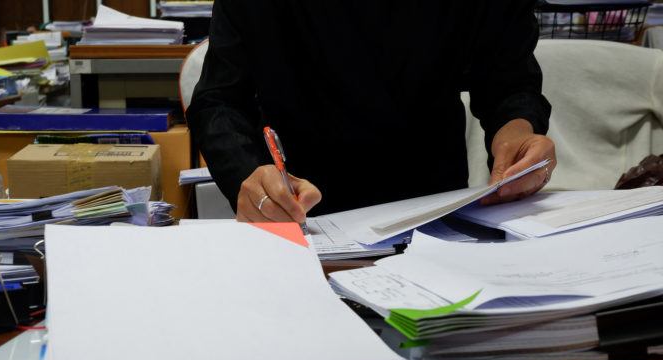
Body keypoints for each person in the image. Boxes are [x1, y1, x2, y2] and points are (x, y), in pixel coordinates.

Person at [187, 1, 556, 222]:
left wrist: (518, 132)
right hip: (305, 215)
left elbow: (509, 79)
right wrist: (249, 175)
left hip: (433, 216)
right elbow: (219, 99)